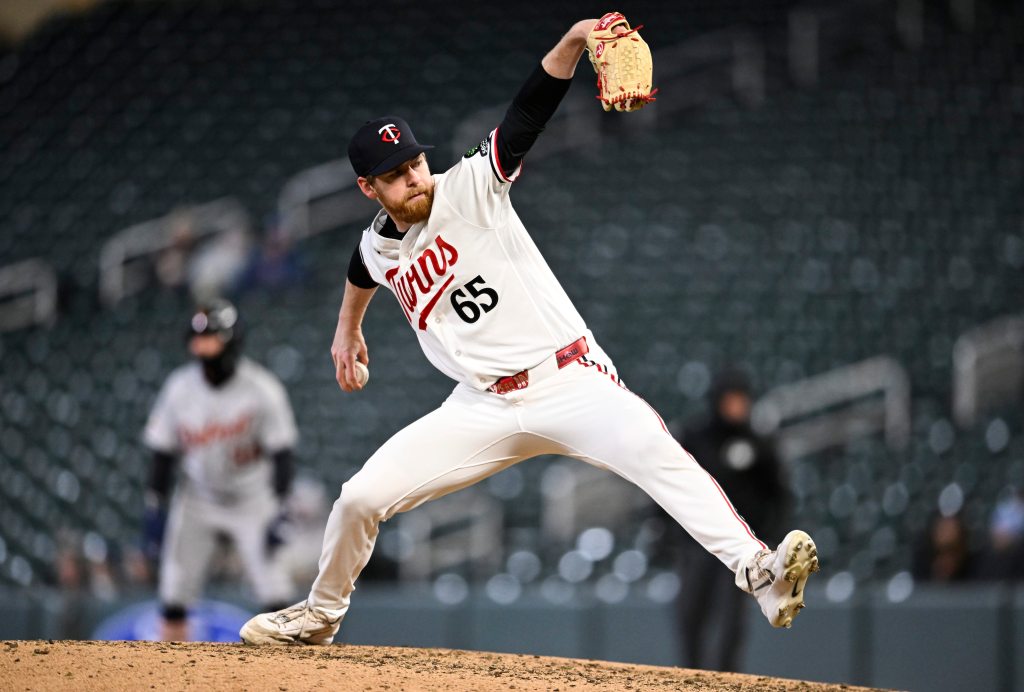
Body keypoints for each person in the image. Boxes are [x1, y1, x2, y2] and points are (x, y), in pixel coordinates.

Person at [240, 13, 818, 646]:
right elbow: (362, 266)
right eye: (396, 174)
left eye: (415, 161)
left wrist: (574, 39)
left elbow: (528, 111)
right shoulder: (377, 244)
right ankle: (321, 616)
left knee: (659, 453)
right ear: (368, 187)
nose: (413, 177)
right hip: (481, 405)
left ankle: (759, 573)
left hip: (567, 378)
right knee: (357, 499)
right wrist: (346, 331)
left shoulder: (471, 188)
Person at [143, 299, 299, 640]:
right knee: (173, 595)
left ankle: (285, 679)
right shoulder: (179, 388)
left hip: (252, 498)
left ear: (232, 342)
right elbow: (162, 452)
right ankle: (165, 677)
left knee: (276, 598)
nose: (204, 347)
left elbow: (282, 453)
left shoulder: (263, 389)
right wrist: (154, 504)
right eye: (200, 339)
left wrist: (281, 508)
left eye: (212, 338)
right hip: (198, 497)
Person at [659, 370, 789, 671]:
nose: (736, 406)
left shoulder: (758, 443)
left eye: (741, 400)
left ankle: (726, 680)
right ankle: (693, 676)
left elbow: (778, 493)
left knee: (731, 619)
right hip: (698, 542)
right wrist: (664, 529)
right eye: (730, 400)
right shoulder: (696, 437)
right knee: (689, 612)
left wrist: (769, 534)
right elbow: (669, 482)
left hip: (740, 546)